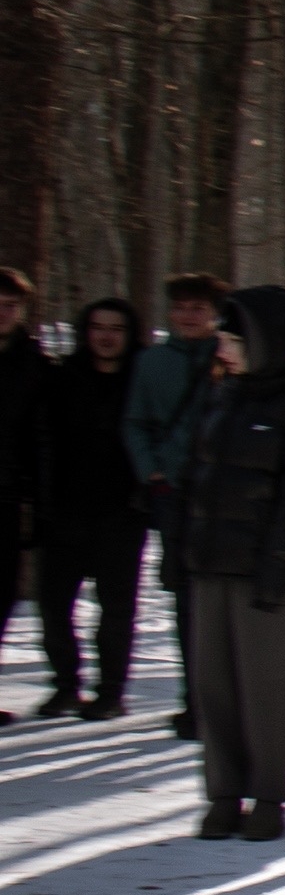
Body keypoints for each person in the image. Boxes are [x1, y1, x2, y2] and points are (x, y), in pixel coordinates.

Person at [181, 286, 285, 841]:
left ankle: (269, 797)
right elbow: (198, 479)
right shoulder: (223, 395)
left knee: (267, 691)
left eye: (232, 339)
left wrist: (281, 567)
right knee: (213, 688)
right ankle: (223, 793)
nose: (222, 349)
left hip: (268, 575)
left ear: (264, 341)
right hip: (211, 568)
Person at [124, 272, 231, 739]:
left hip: (222, 495)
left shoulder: (228, 357)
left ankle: (226, 700)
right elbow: (135, 420)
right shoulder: (152, 362)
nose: (189, 316)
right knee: (186, 598)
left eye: (198, 308)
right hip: (174, 494)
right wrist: (152, 470)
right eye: (181, 307)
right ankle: (195, 702)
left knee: (222, 599)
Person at [34, 299, 149, 720]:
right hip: (65, 511)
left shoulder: (141, 380)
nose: (106, 336)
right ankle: (66, 684)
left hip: (122, 513)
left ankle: (111, 691)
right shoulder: (63, 378)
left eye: (116, 328)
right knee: (53, 606)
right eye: (99, 327)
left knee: (116, 609)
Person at [0, 267, 48, 724]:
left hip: (9, 496)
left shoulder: (33, 363)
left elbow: (41, 436)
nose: (2, 313)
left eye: (11, 305)